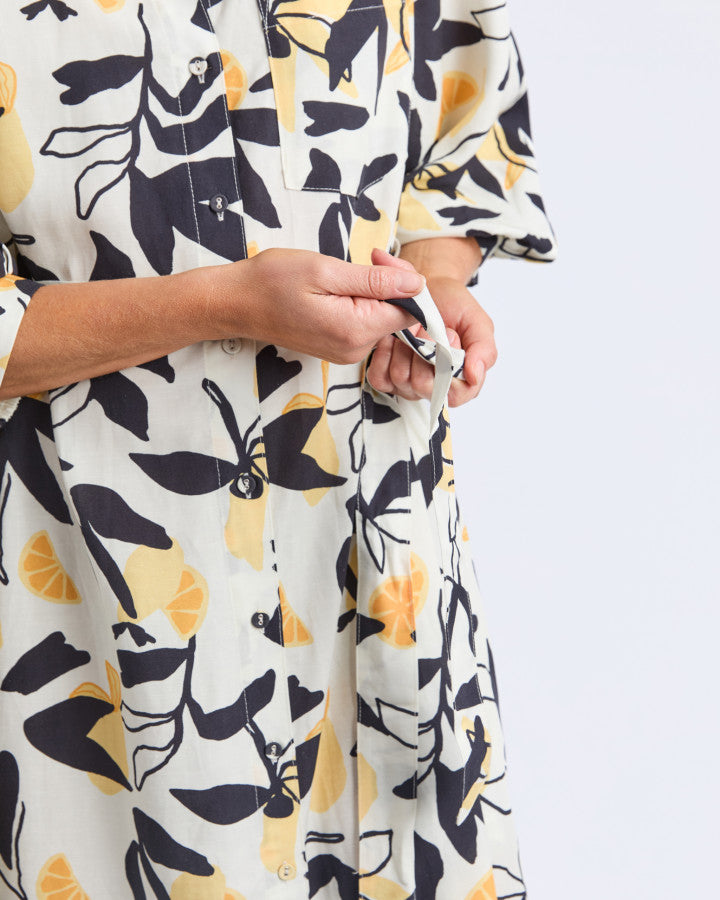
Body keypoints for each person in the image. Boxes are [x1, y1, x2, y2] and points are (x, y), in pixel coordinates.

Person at [0, 1, 556, 898]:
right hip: (74, 590)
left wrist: (431, 282)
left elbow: (464, 118)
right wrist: (221, 303)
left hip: (370, 559)